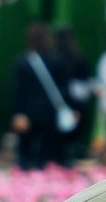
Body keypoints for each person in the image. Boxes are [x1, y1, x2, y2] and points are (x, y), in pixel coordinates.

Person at [11, 23, 68, 171]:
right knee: (47, 155)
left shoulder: (23, 62)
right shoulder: (57, 61)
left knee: (26, 154)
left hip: (28, 112)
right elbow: (64, 88)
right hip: (50, 112)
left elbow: (19, 91)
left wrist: (18, 113)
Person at [54, 26, 94, 165]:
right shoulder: (77, 58)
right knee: (71, 140)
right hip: (77, 104)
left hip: (57, 105)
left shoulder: (53, 58)